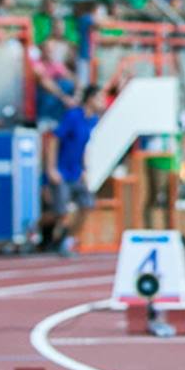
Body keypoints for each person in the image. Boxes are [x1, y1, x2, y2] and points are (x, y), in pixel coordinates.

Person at [46, 84, 109, 256]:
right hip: (62, 171)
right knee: (61, 212)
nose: (102, 102)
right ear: (90, 99)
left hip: (76, 171)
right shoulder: (73, 116)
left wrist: (84, 169)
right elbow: (54, 140)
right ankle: (42, 233)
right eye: (99, 98)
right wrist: (51, 168)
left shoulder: (92, 120)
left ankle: (65, 241)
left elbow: (84, 146)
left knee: (87, 205)